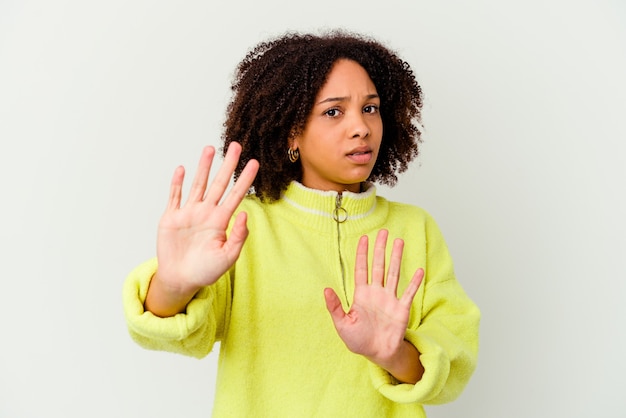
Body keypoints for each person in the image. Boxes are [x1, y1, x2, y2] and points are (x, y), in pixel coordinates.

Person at [123, 30, 480, 417]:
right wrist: (174, 286)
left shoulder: (415, 229)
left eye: (371, 108)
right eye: (333, 111)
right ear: (293, 131)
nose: (361, 127)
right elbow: (178, 337)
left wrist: (394, 354)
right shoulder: (242, 226)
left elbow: (452, 363)